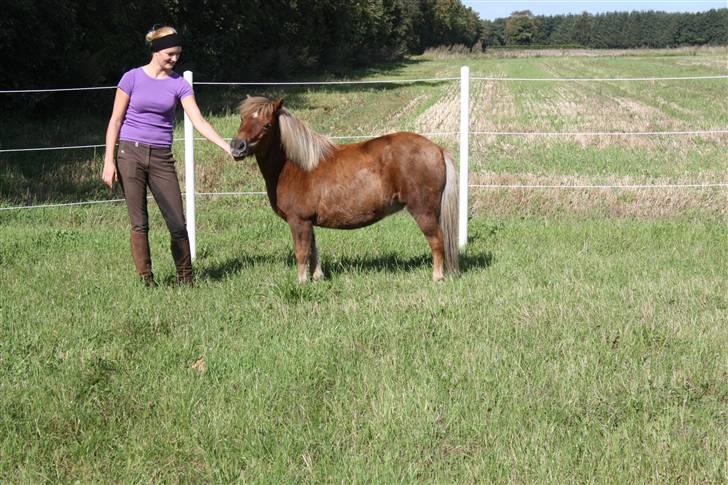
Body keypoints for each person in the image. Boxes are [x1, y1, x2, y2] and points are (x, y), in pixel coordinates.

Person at [102, 26, 231, 287]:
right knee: (139, 222)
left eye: (178, 54)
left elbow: (198, 120)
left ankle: (186, 280)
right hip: (130, 154)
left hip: (161, 157)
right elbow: (115, 121)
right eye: (171, 53)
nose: (175, 59)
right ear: (156, 51)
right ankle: (147, 281)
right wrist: (108, 161)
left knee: (177, 222)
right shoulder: (132, 78)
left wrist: (226, 147)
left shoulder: (179, 85)